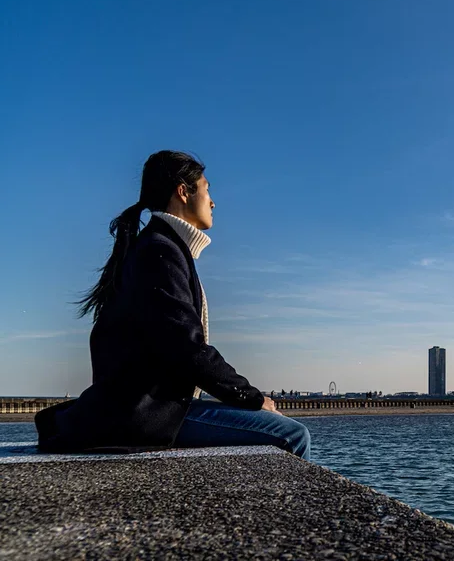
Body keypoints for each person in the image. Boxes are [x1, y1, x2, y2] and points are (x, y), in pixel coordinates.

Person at [35, 151, 310, 458]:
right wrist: (254, 399)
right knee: (292, 435)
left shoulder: (159, 248)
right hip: (144, 413)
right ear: (183, 191)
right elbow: (188, 349)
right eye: (207, 190)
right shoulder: (159, 252)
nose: (213, 201)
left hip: (147, 406)